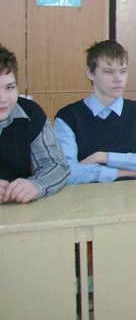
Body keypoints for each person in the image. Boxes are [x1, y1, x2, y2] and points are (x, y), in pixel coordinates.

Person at [55, 40, 136, 183]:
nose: (118, 79)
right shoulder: (67, 117)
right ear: (90, 73)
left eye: (123, 71)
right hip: (88, 196)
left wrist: (103, 157)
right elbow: (65, 173)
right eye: (109, 72)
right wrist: (121, 173)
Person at [0, 44, 69, 203]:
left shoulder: (30, 113)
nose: (2, 99)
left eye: (9, 87)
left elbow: (56, 165)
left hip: (20, 210)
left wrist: (37, 185)